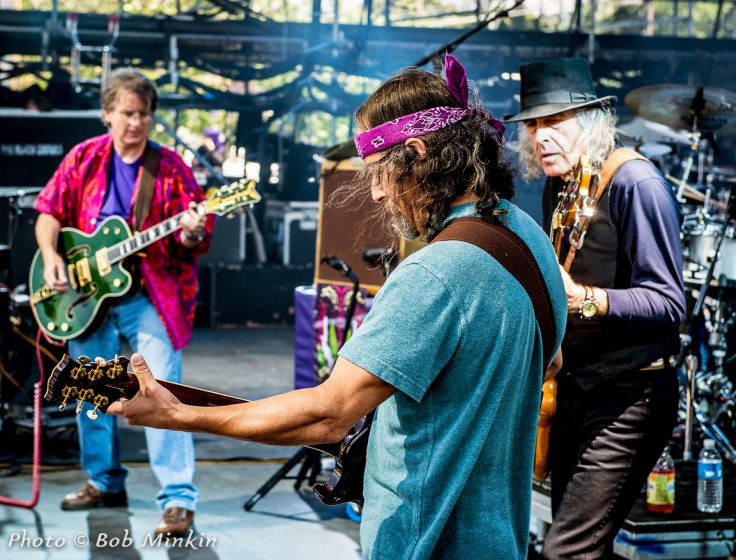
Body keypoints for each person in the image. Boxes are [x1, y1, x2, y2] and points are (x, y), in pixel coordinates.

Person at [109, 53, 567, 559]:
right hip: (499, 541)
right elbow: (551, 360)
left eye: (377, 172)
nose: (374, 194)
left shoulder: (435, 274)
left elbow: (327, 416)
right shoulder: (530, 239)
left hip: (424, 544)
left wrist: (182, 416)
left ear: (416, 153)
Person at [505, 57, 686, 559]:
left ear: (590, 122)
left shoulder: (635, 183)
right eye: (533, 125)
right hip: (577, 390)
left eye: (554, 122)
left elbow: (670, 302)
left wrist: (584, 299)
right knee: (582, 545)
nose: (541, 137)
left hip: (630, 396)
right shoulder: (557, 184)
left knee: (567, 552)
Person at [34, 67, 214, 537]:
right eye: (128, 113)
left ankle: (178, 499)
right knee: (92, 394)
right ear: (107, 114)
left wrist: (193, 229)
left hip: (151, 294)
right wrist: (52, 256)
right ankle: (104, 481)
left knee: (162, 393)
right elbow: (48, 212)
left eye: (144, 114)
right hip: (87, 296)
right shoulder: (84, 158)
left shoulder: (169, 166)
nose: (136, 123)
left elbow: (194, 235)